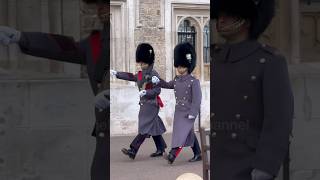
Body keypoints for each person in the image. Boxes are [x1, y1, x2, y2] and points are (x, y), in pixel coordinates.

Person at [0, 0, 110, 179]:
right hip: (104, 130)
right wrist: (21, 37)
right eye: (99, 4)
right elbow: (66, 47)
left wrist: (112, 93)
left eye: (105, 3)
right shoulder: (96, 41)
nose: (101, 9)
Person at [210, 0, 294, 180]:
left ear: (247, 20)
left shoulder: (270, 62)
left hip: (247, 166)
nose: (221, 20)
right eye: (220, 14)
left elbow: (278, 121)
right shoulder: (216, 59)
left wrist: (265, 167)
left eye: (229, 14)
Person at [110, 43, 167, 160]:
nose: (141, 65)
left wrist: (147, 92)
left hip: (151, 104)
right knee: (153, 125)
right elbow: (131, 76)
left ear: (149, 62)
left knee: (144, 127)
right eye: (140, 63)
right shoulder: (141, 74)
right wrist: (117, 74)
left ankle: (133, 149)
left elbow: (158, 90)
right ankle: (161, 148)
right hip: (144, 104)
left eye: (144, 63)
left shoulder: (153, 74)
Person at [152, 42, 202, 164]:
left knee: (181, 133)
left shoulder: (193, 81)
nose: (179, 69)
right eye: (178, 66)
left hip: (189, 111)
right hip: (179, 111)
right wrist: (158, 81)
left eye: (182, 66)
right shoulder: (176, 80)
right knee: (187, 132)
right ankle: (198, 153)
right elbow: (168, 85)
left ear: (188, 66)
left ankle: (172, 155)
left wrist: (193, 113)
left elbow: (197, 99)